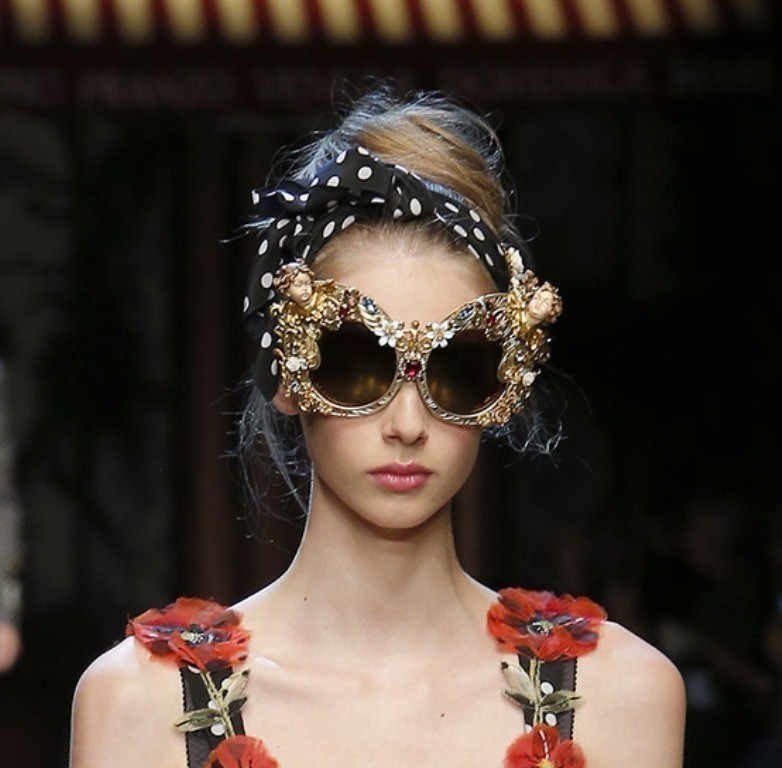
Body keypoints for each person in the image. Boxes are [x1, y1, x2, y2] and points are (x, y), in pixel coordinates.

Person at [70, 91, 685, 767]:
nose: (407, 423)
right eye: (356, 364)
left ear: (504, 384)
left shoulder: (622, 697)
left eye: (457, 370)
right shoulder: (137, 705)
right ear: (287, 372)